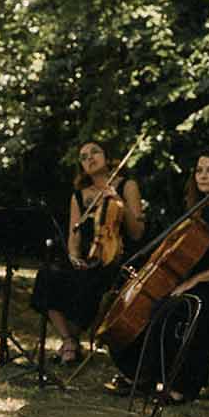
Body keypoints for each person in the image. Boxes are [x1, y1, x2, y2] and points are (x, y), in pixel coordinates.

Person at [110, 148, 209, 402]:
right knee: (151, 303)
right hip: (199, 286)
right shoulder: (201, 208)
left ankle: (180, 386)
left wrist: (196, 279)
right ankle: (141, 375)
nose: (203, 176)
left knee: (172, 309)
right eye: (199, 171)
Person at [30, 139, 146, 361]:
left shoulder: (127, 185)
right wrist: (74, 257)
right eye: (83, 157)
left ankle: (70, 345)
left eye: (94, 152)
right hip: (86, 258)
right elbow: (74, 236)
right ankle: (68, 340)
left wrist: (118, 201)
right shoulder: (78, 195)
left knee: (94, 280)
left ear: (107, 157)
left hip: (117, 259)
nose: (89, 158)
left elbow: (137, 233)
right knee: (47, 275)